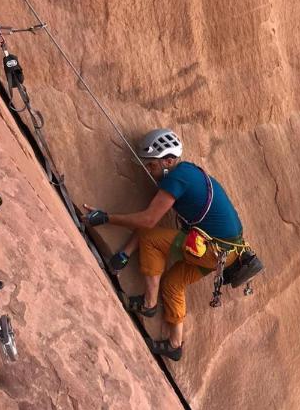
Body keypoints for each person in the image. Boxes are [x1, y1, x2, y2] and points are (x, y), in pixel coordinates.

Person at [83, 129, 244, 361]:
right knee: (173, 284)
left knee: (151, 240)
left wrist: (106, 217)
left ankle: (148, 304)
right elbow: (153, 220)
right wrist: (125, 254)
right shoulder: (190, 173)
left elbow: (149, 221)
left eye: (152, 165)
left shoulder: (177, 179)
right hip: (226, 254)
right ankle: (174, 345)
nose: (149, 170)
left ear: (169, 161)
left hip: (212, 250)